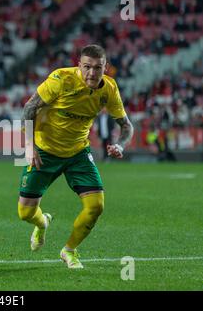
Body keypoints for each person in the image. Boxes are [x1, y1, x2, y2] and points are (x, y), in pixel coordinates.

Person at [19, 44, 133, 269]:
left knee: (96, 206)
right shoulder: (61, 79)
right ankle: (42, 223)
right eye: (87, 67)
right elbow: (29, 108)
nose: (92, 73)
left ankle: (69, 250)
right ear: (78, 65)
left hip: (78, 153)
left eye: (98, 68)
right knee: (25, 213)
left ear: (105, 68)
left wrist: (120, 144)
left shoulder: (109, 89)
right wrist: (29, 147)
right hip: (44, 151)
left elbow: (126, 125)